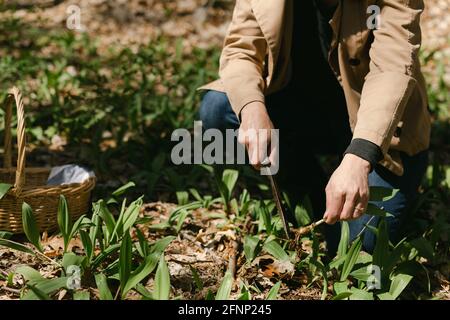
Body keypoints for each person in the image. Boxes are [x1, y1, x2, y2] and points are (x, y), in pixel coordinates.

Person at [198, 0, 431, 254]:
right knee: (220, 108)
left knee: (356, 249)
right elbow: (241, 49)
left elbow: (392, 67)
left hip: (378, 133)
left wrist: (361, 156)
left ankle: (339, 200)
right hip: (305, 114)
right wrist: (253, 108)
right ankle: (306, 190)